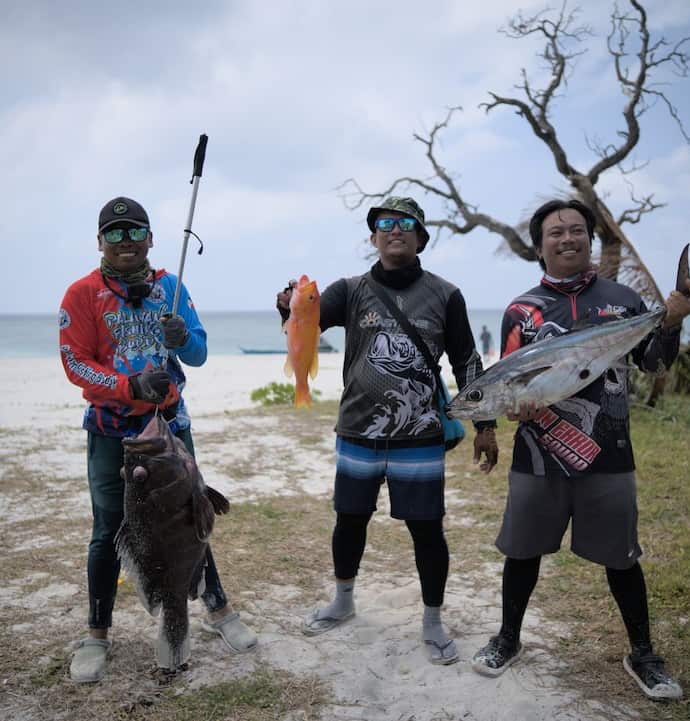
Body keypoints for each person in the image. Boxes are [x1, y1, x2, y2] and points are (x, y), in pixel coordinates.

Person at [470, 199, 690, 700]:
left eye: (577, 230)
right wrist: (507, 413)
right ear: (539, 246)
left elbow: (655, 363)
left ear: (589, 240)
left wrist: (673, 321)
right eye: (555, 232)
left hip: (609, 453)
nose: (567, 238)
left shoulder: (623, 301)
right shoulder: (521, 310)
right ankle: (508, 638)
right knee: (521, 553)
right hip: (536, 456)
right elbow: (507, 379)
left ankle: (644, 654)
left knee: (622, 560)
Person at [276, 196, 499, 665]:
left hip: (420, 434)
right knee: (350, 520)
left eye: (405, 223)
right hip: (358, 429)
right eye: (385, 223)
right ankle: (343, 601)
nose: (394, 229)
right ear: (373, 237)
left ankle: (433, 621)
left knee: (427, 530)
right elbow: (307, 323)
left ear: (421, 237)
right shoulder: (349, 290)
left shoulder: (446, 295)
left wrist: (485, 424)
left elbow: (467, 361)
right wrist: (287, 306)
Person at [59, 196, 258, 683]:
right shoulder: (82, 294)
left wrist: (181, 338)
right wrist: (129, 386)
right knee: (108, 529)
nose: (125, 241)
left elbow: (200, 353)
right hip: (111, 430)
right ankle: (97, 634)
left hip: (170, 427)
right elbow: (76, 363)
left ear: (150, 239)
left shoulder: (170, 287)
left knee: (192, 518)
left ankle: (218, 609)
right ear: (100, 241)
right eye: (115, 233)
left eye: (135, 232)